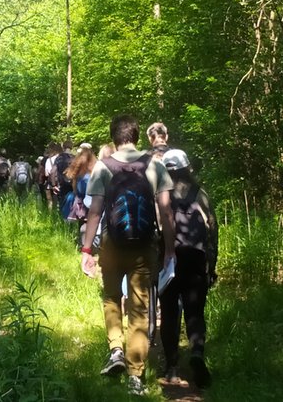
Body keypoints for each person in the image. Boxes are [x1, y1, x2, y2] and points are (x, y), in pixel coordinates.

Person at [80, 115, 176, 397]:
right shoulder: (154, 164)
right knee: (140, 308)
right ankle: (136, 376)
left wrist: (87, 249)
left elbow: (94, 211)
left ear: (114, 138)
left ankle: (116, 349)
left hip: (112, 244)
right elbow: (167, 212)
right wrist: (169, 249)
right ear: (137, 136)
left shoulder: (103, 166)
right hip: (144, 246)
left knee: (111, 296)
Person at [159, 149, 218, 389]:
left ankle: (172, 367)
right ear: (187, 168)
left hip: (169, 259)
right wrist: (211, 265)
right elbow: (212, 231)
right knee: (195, 312)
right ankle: (197, 353)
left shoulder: (162, 195)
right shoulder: (200, 194)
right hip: (196, 258)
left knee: (170, 313)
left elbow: (157, 229)